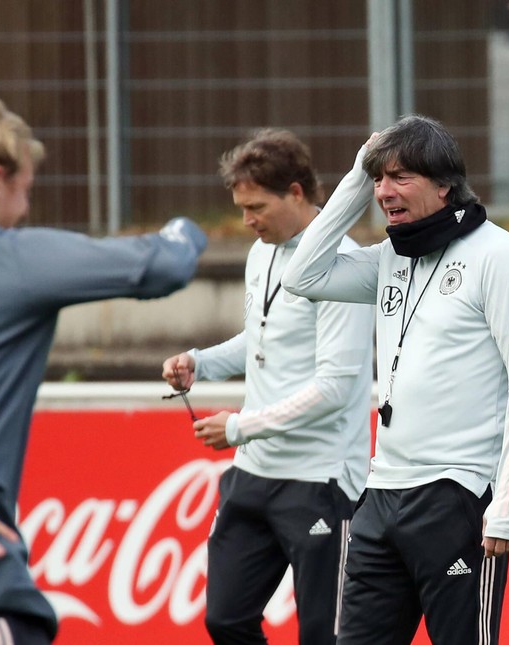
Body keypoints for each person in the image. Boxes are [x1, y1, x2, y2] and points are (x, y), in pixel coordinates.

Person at [0, 94, 207, 644]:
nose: (25, 209)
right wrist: (189, 226)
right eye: (26, 192)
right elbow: (164, 266)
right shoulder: (8, 257)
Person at [282, 115, 509, 645]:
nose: (385, 192)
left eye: (400, 177)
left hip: (458, 495)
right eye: (379, 179)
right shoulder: (390, 258)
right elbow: (302, 275)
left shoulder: (499, 255)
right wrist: (360, 171)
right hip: (380, 495)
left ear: (444, 185)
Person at [161, 128, 374, 645]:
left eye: (256, 207)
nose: (247, 221)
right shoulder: (264, 250)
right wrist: (199, 362)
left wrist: (239, 427)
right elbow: (262, 339)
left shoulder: (344, 262)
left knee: (326, 635)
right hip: (253, 475)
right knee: (225, 620)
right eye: (242, 208)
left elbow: (336, 389)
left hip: (320, 481)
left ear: (296, 193)